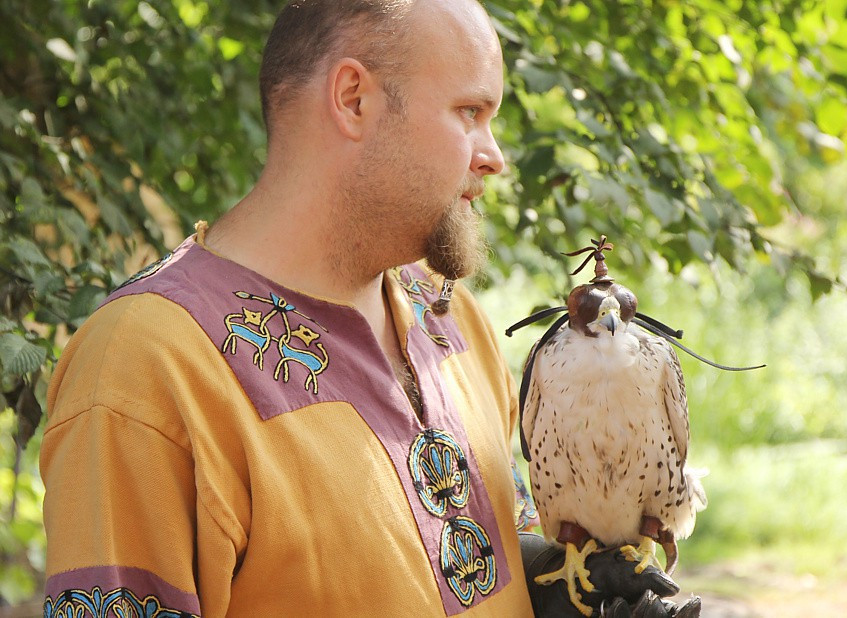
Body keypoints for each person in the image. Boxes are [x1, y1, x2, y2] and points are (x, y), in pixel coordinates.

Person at [40, 1, 700, 616]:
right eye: (469, 112)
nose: (494, 157)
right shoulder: (143, 367)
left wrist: (568, 588)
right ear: (354, 100)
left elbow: (486, 549)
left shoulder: (450, 315)